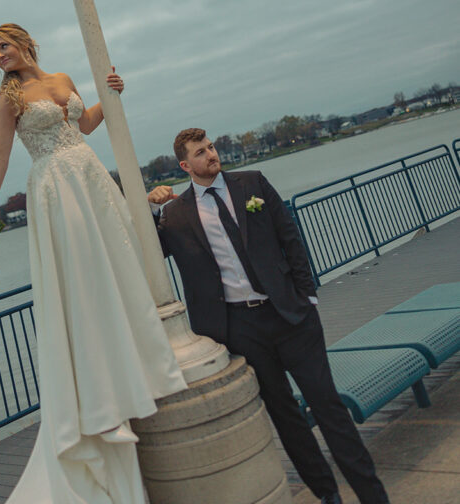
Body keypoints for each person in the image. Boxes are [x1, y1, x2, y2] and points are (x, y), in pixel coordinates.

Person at [0, 24, 186, 504]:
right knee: (84, 275)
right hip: (55, 186)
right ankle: (101, 386)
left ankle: (140, 355)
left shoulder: (63, 77)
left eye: (4, 45)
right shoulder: (8, 100)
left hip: (89, 172)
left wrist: (110, 95)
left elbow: (86, 124)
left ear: (25, 43)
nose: (0, 55)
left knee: (117, 258)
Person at [148, 128, 390, 504]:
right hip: (241, 329)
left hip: (291, 316)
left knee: (328, 406)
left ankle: (373, 496)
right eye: (201, 152)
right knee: (285, 416)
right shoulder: (175, 215)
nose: (211, 154)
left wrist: (306, 298)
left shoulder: (252, 182)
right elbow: (147, 252)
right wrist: (150, 209)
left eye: (211, 147)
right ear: (185, 165)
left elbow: (289, 237)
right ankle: (329, 496)